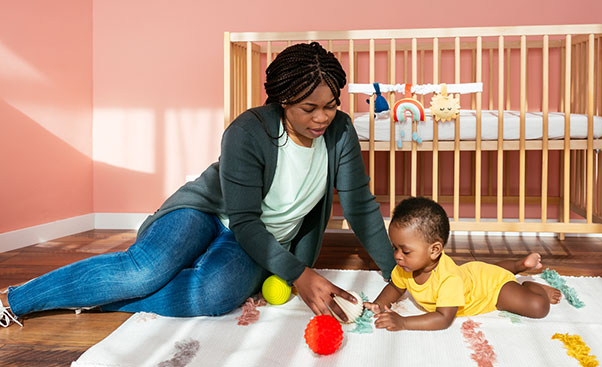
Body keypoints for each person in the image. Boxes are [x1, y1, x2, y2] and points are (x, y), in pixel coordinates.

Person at [0, 42, 396, 327]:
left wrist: (395, 271)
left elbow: (359, 205)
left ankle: (103, 300)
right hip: (206, 213)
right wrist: (298, 275)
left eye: (331, 106)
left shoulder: (340, 132)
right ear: (282, 101)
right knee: (145, 270)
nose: (322, 118)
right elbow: (242, 219)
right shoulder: (249, 131)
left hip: (257, 237)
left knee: (214, 296)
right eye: (309, 108)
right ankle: (15, 300)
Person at [364, 197, 561, 331]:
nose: (397, 256)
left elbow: (444, 318)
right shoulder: (406, 266)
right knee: (482, 270)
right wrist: (379, 304)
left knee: (538, 307)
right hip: (474, 273)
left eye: (405, 251)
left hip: (492, 289)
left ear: (434, 250)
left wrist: (404, 322)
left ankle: (528, 281)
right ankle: (519, 265)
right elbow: (395, 288)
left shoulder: (448, 279)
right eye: (395, 248)